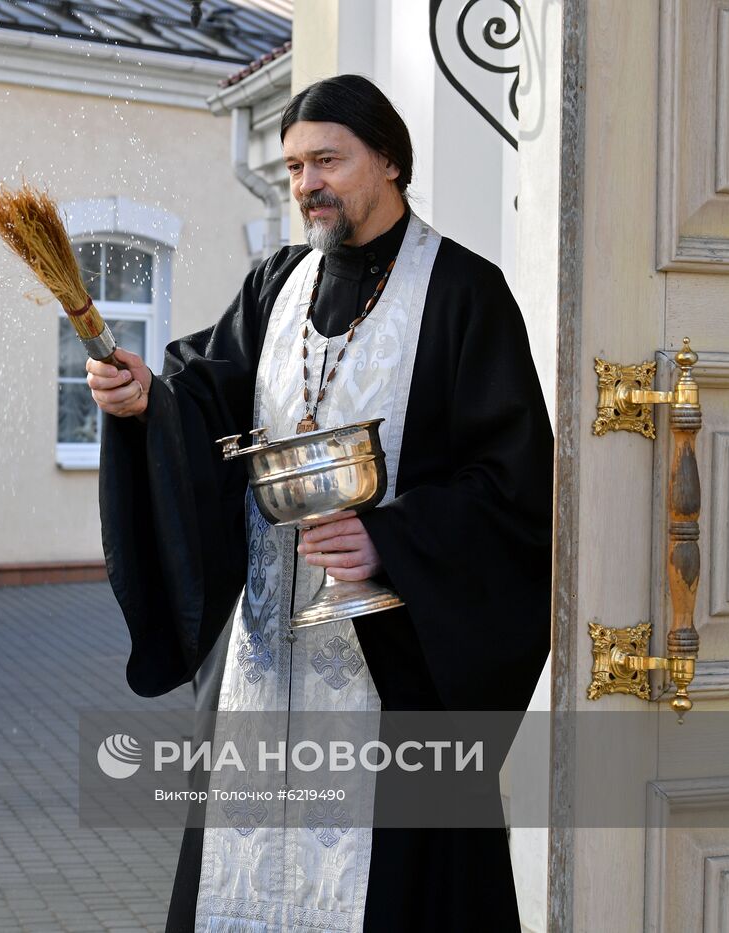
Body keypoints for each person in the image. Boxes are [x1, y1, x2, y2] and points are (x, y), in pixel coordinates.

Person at [90, 75, 553, 932]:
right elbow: (208, 398)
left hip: (398, 678)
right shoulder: (278, 284)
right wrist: (147, 403)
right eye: (295, 165)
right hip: (268, 667)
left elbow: (515, 489)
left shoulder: (463, 294)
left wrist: (392, 538)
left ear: (388, 160)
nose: (307, 183)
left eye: (328, 160)